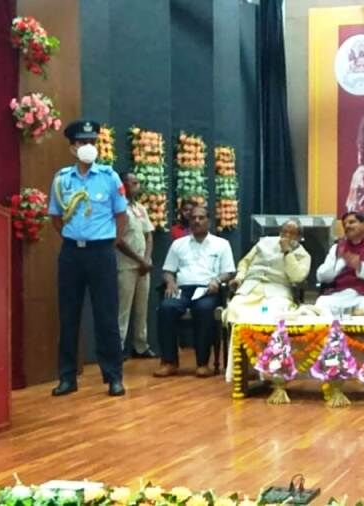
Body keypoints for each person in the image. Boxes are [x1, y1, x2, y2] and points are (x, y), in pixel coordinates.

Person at [47, 119, 128, 397]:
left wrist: (109, 242)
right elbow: (56, 217)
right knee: (68, 316)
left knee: (106, 316)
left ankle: (114, 376)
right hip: (72, 253)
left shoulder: (109, 177)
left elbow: (121, 216)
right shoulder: (62, 179)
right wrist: (73, 237)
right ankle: (67, 377)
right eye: (83, 142)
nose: (89, 147)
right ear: (72, 147)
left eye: (92, 142)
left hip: (101, 252)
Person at [155, 206, 235, 378]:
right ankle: (169, 362)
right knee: (166, 308)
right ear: (189, 221)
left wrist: (217, 280)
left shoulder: (221, 244)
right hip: (182, 289)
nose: (197, 221)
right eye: (193, 218)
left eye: (201, 218)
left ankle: (202, 363)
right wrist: (170, 282)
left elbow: (229, 272)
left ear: (209, 221)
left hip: (207, 289)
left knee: (204, 309)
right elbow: (168, 270)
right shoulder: (178, 244)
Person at [225, 219, 311, 323]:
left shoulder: (303, 256)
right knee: (234, 308)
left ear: (299, 237)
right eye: (284, 232)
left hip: (277, 292)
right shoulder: (265, 242)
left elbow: (297, 277)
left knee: (274, 313)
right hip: (250, 287)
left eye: (292, 233)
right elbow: (245, 263)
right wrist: (239, 278)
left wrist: (287, 252)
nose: (287, 236)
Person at [116, 172, 157, 359]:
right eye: (133, 182)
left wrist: (146, 259)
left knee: (142, 308)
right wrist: (139, 260)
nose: (137, 186)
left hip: (143, 267)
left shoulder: (140, 208)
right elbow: (118, 240)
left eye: (138, 182)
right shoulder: (118, 208)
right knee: (123, 309)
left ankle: (140, 345)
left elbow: (149, 235)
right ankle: (118, 347)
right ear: (123, 185)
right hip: (126, 265)